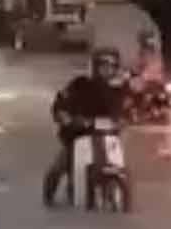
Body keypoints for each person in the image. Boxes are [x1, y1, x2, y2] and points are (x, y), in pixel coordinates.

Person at [43, 47, 128, 206]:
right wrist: (65, 117)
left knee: (124, 166)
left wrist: (127, 119)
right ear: (95, 67)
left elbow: (129, 109)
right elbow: (61, 103)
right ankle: (49, 198)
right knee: (58, 167)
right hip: (78, 137)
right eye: (103, 66)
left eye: (111, 67)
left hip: (107, 138)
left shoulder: (120, 89)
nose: (107, 70)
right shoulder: (80, 84)